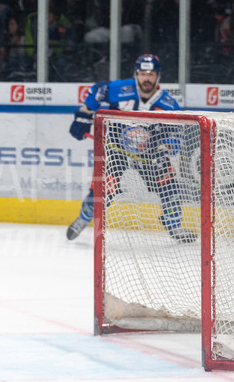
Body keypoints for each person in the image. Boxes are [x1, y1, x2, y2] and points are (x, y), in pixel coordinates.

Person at [66, 54, 195, 243]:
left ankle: (174, 225)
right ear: (136, 74)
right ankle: (83, 219)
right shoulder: (122, 89)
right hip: (116, 148)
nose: (147, 78)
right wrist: (84, 114)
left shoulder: (167, 104)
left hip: (151, 153)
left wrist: (166, 147)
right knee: (102, 192)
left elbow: (177, 134)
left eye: (151, 74)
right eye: (143, 73)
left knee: (170, 187)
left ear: (158, 76)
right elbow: (98, 90)